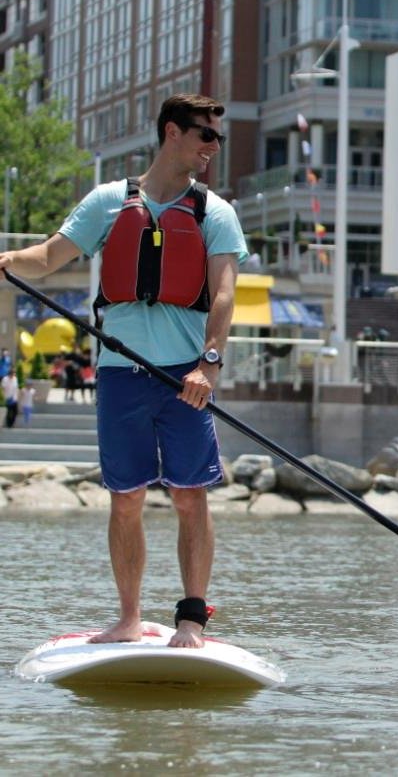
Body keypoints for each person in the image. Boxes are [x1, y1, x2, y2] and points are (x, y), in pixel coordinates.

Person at [0, 94, 247, 649]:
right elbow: (49, 256)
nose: (213, 148)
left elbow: (225, 293)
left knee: (189, 495)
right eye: (205, 136)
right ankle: (129, 618)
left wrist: (209, 363)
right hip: (119, 373)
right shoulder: (109, 202)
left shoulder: (216, 212)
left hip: (186, 374)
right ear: (171, 133)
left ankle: (190, 619)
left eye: (218, 138)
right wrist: (10, 262)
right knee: (126, 496)